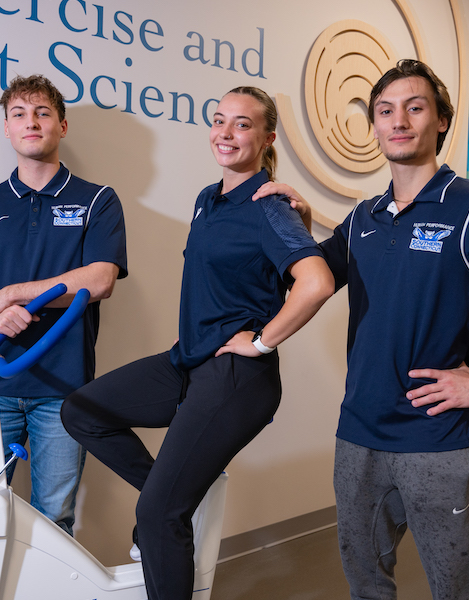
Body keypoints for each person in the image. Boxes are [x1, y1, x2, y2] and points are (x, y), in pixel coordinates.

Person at [284, 59, 469, 599]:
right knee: (365, 584)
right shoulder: (363, 218)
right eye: (385, 110)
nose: (398, 120)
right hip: (357, 433)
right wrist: (294, 226)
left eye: (414, 107)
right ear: (374, 125)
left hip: (435, 437)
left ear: (441, 121)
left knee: (455, 589)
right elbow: (313, 278)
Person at [61, 87, 334, 600]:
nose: (226, 133)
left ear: (267, 137)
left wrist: (261, 342)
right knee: (82, 411)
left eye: (243, 124)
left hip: (236, 377)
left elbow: (315, 281)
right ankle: (174, 490)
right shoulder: (208, 199)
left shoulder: (267, 205)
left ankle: (169, 501)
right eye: (219, 121)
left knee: (159, 514)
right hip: (189, 357)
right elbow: (232, 281)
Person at [0, 74, 128, 536]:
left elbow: (101, 280)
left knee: (52, 521)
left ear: (62, 125)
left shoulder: (97, 200)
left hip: (63, 390)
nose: (31, 122)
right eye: (19, 114)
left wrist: (12, 293)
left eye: (42, 113)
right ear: (7, 128)